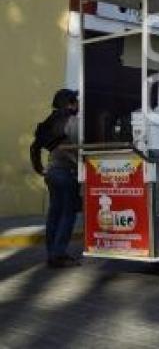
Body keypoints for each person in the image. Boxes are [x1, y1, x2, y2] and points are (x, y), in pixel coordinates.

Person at [31, 89, 81, 268]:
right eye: (75, 101)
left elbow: (34, 147)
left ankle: (52, 252)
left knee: (54, 213)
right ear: (69, 103)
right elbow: (80, 148)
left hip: (51, 173)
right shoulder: (72, 121)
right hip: (66, 173)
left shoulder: (48, 122)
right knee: (68, 213)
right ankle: (59, 255)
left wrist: (40, 169)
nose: (78, 104)